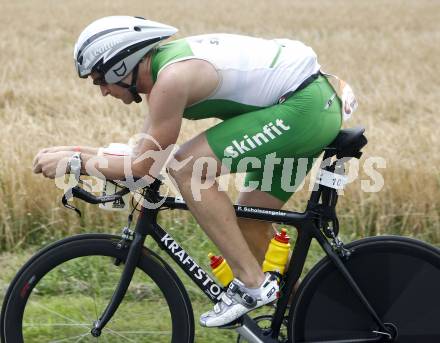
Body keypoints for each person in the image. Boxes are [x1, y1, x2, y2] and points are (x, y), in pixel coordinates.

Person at [32, 16, 342, 327]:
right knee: (250, 221)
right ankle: (314, 322)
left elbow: (143, 170)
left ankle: (251, 284)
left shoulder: (171, 79)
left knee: (187, 168)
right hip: (312, 104)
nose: (102, 91)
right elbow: (144, 153)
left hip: (304, 108)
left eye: (100, 80)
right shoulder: (164, 76)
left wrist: (76, 163)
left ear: (119, 65)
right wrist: (76, 153)